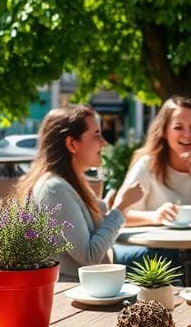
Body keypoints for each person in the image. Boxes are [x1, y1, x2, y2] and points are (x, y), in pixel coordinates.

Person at [18, 106, 144, 282]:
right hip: (77, 288)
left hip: (94, 279)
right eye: (96, 135)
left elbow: (92, 230)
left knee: (162, 260)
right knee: (165, 271)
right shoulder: (54, 189)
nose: (103, 143)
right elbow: (89, 256)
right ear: (71, 144)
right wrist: (121, 207)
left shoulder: (72, 182)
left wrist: (113, 204)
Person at [115, 97, 191, 226]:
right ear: (164, 131)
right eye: (178, 128)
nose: (188, 134)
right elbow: (117, 213)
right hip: (159, 243)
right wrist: (154, 216)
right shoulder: (147, 163)